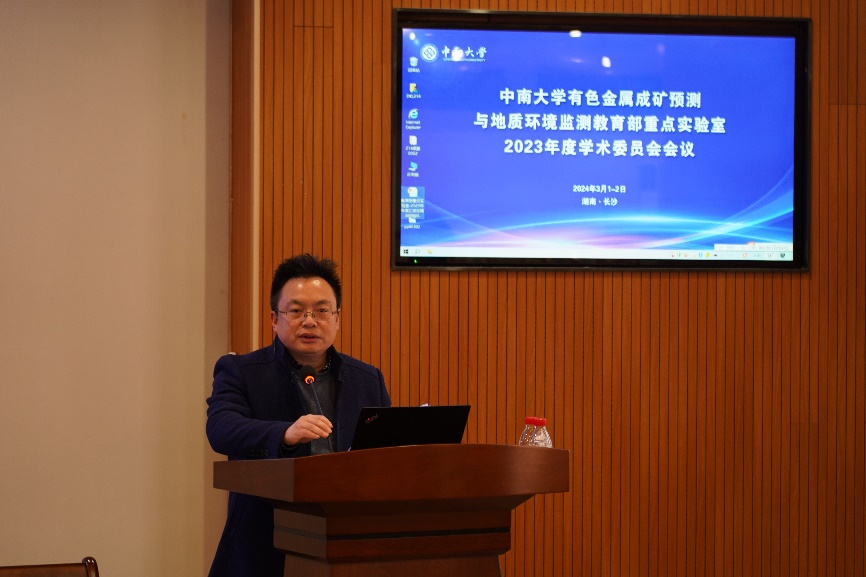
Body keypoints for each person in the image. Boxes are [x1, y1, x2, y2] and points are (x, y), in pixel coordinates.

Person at [206, 253, 391, 577]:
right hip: (264, 543)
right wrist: (284, 434)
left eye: (321, 311)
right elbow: (222, 428)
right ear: (274, 319)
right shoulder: (242, 371)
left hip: (351, 541)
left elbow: (386, 451)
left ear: (337, 318)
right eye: (296, 311)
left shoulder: (367, 379)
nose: (309, 321)